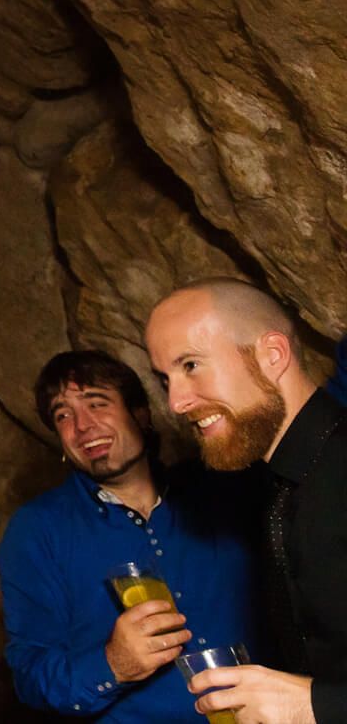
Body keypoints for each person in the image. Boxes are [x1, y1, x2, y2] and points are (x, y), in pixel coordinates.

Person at [0, 349, 262, 720]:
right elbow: (29, 674)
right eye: (63, 415)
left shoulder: (221, 486)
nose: (82, 425)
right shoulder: (37, 530)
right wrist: (112, 665)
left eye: (97, 403)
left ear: (141, 413)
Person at [144, 279, 347, 724]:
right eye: (165, 379)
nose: (176, 402)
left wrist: (312, 704)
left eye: (191, 364)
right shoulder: (276, 487)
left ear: (271, 355)